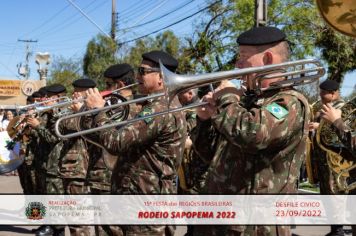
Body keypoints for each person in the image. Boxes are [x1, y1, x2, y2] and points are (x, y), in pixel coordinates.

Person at [192, 26, 310, 236]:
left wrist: (227, 98)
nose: (237, 64)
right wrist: (204, 121)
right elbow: (210, 153)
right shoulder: (247, 102)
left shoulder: (288, 101)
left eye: (243, 57)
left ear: (266, 59)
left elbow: (254, 135)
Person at [85, 50, 187, 236]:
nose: (137, 76)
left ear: (161, 77)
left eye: (143, 71)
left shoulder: (158, 109)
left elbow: (116, 142)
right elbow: (102, 138)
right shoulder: (155, 106)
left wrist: (99, 111)